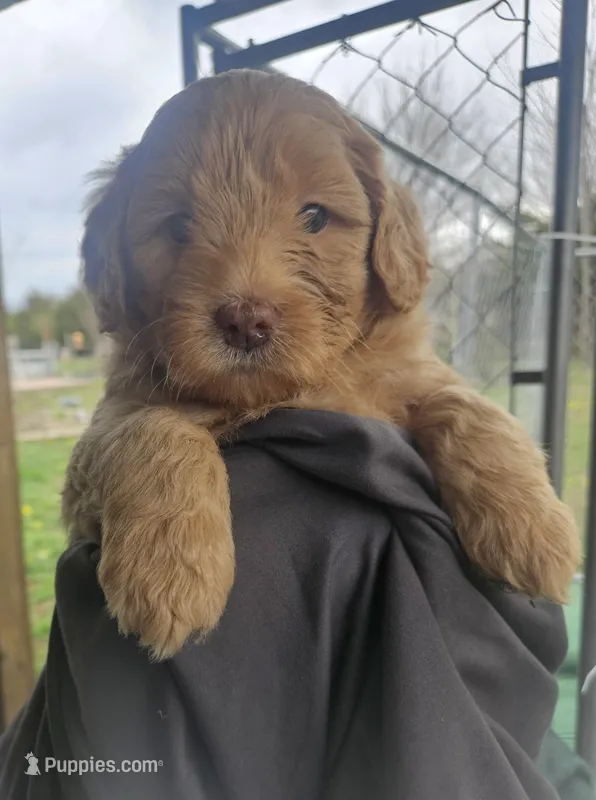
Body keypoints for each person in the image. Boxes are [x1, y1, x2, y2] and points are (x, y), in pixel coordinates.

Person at [0, 409, 570, 799]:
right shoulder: (146, 377)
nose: (245, 306)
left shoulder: (400, 362)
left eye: (315, 227)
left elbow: (429, 388)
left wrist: (472, 436)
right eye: (179, 247)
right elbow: (92, 473)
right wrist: (157, 451)